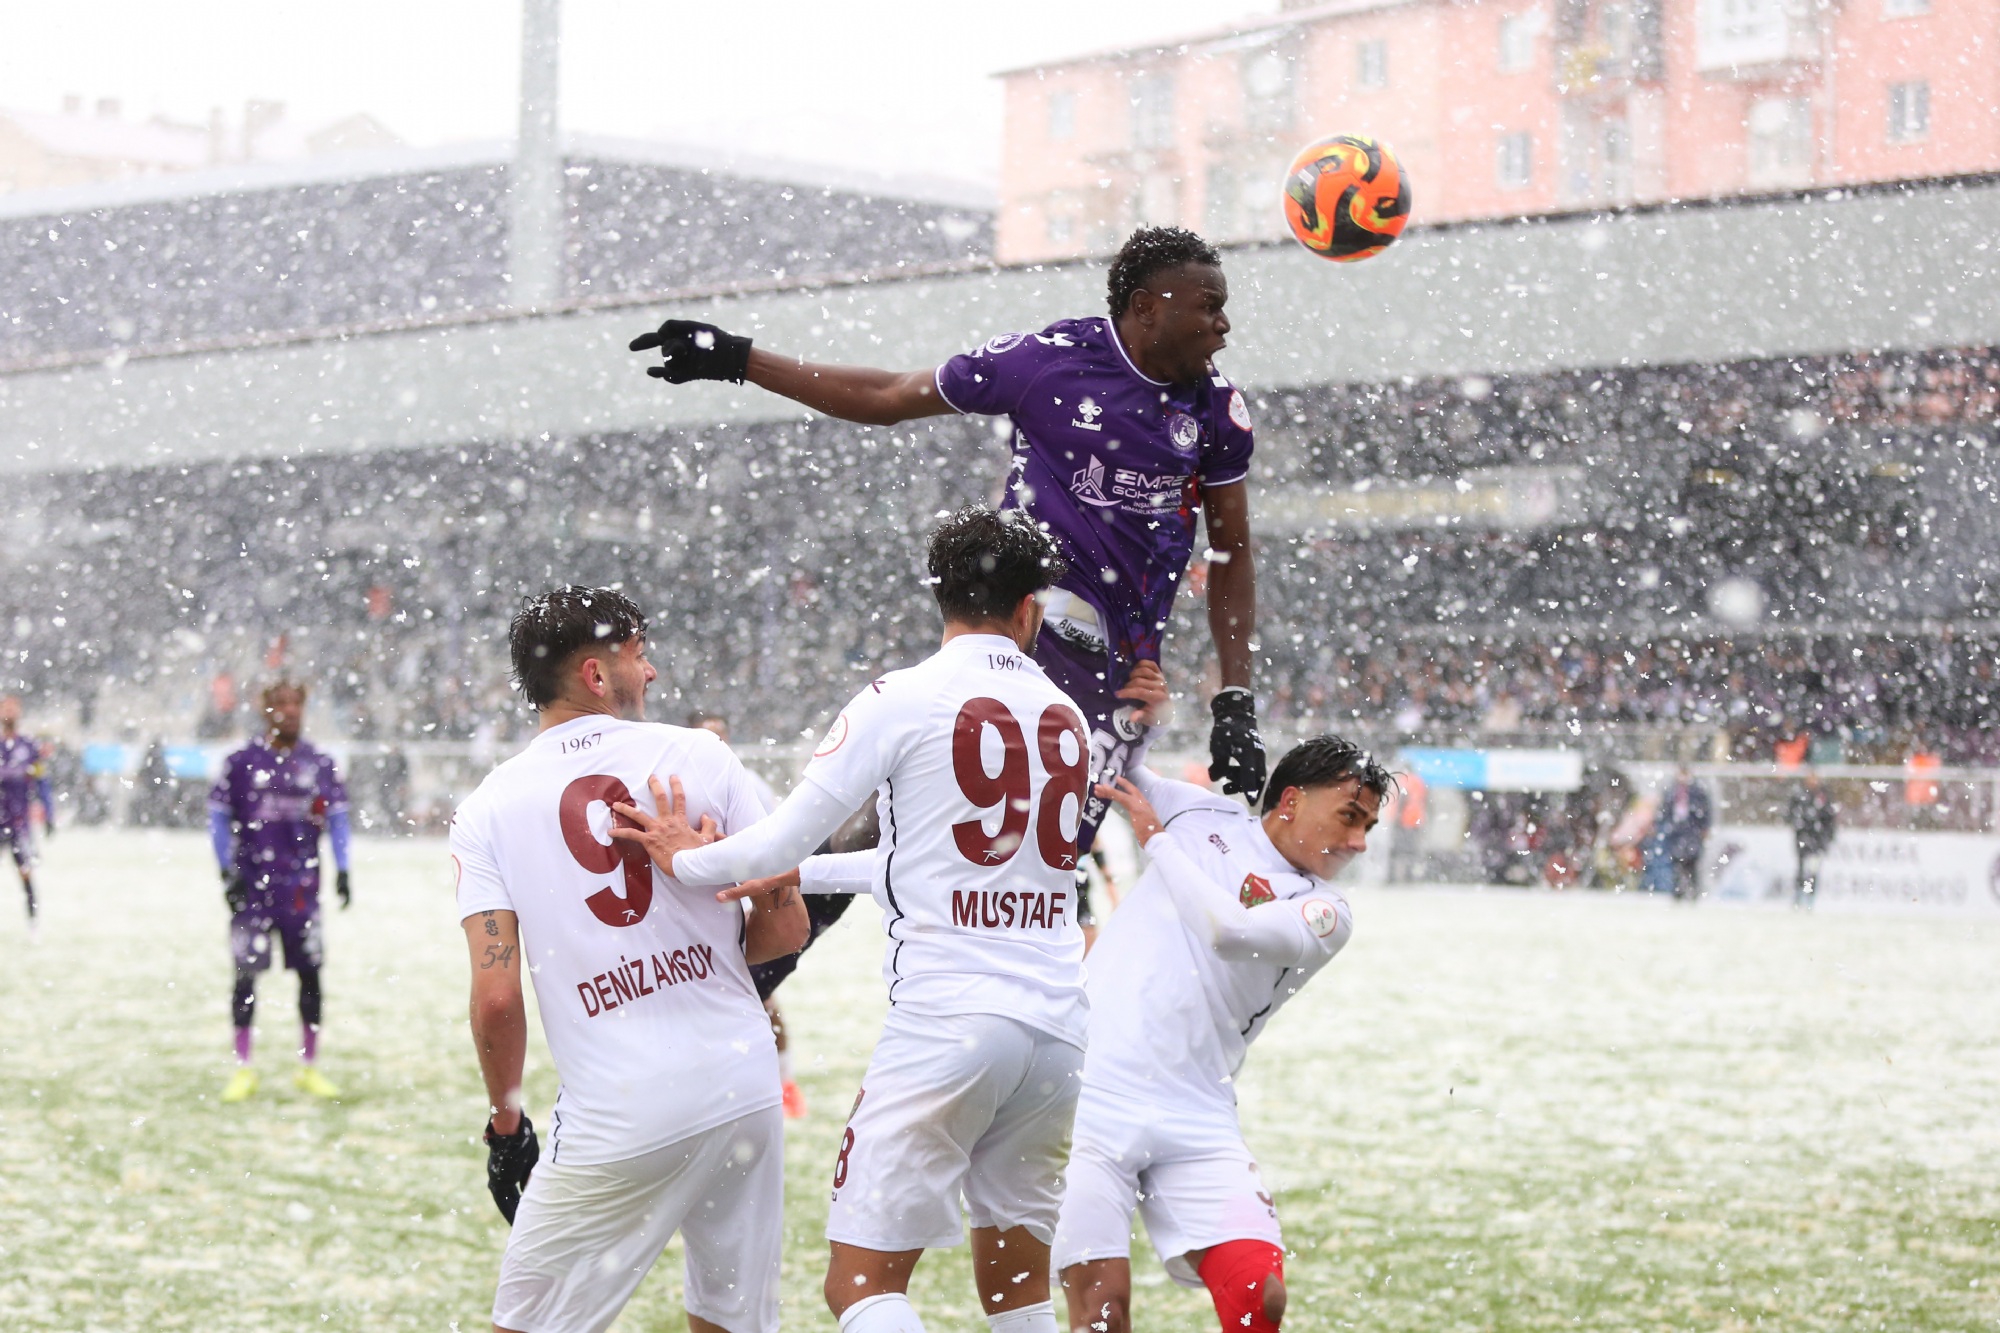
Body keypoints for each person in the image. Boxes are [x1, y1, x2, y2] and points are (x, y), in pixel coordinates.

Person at [612, 507, 1113, 1333]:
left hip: (949, 1024)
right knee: (1019, 1295)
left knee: (861, 1288)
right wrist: (802, 871)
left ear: (942, 596)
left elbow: (777, 832)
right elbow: (929, 869)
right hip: (1057, 1033)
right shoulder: (1068, 716)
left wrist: (683, 859)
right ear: (1029, 609)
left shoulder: (902, 696)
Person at [629, 225, 1267, 856]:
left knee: (1045, 860)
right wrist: (742, 359)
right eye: (1209, 307)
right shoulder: (1049, 360)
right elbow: (889, 395)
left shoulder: (1215, 410)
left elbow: (1232, 552)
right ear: (1146, 308)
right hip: (1013, 637)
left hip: (1118, 680)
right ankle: (773, 943)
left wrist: (1235, 700)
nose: (1223, 325)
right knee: (919, 831)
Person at [450, 587, 808, 1333]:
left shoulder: (488, 806)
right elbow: (786, 928)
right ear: (593, 673)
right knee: (729, 1319)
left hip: (621, 1106)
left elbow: (495, 1001)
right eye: (639, 656)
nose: (650, 674)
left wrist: (506, 1120)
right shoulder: (699, 755)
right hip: (743, 1083)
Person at [1054, 739, 1388, 1333]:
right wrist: (1142, 712)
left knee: (1261, 1299)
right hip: (1091, 1095)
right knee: (1101, 1313)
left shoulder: (1326, 912)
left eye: (1368, 826)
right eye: (1349, 816)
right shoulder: (1200, 812)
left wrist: (1157, 842)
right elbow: (1117, 758)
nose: (1359, 843)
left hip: (1197, 1114)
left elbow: (1229, 932)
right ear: (1291, 800)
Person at [688, 707, 866, 1120]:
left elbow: (777, 840)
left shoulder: (748, 785)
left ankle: (782, 1086)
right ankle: (729, 1093)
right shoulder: (679, 788)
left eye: (721, 736)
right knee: (732, 1003)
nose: (718, 746)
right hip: (710, 919)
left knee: (762, 1001)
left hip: (758, 909)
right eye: (707, 738)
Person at [208, 681, 352, 1102]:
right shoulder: (240, 762)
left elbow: (338, 820)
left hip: (301, 889)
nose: (290, 711)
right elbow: (217, 819)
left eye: (297, 704)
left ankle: (308, 1066)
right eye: (281, 704)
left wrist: (344, 869)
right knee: (245, 975)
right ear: (265, 710)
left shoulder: (319, 763)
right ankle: (243, 1068)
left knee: (310, 975)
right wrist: (226, 871)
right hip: (251, 887)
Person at [0, 695, 55, 933]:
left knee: (25, 872)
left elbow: (42, 782)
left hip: (19, 822)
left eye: (14, 708)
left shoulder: (29, 747)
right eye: (6, 708)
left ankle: (33, 925)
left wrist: (49, 813)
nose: (10, 712)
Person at [1657, 767, 1712, 902]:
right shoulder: (1671, 792)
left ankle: (1694, 891)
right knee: (1676, 863)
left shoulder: (1698, 792)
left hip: (1692, 832)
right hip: (1676, 832)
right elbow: (1664, 811)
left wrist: (1704, 828)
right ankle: (1677, 892)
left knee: (1692, 864)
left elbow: (1706, 812)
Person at [1787, 774, 1837, 908]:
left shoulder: (1823, 796)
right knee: (1801, 869)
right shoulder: (1799, 795)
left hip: (1818, 841)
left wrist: (1827, 837)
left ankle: (1810, 900)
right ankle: (1798, 898)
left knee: (1813, 871)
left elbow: (1829, 819)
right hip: (1803, 839)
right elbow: (1791, 815)